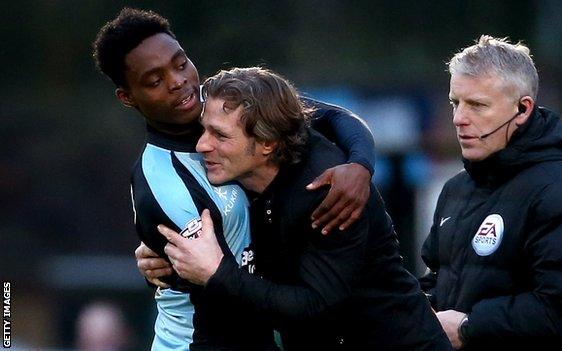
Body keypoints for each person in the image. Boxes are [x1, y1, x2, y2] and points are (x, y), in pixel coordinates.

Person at [92, 8, 376, 350]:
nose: (178, 81)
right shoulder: (167, 184)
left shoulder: (224, 102)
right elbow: (234, 288)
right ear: (127, 97)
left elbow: (333, 117)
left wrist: (360, 166)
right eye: (155, 81)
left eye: (181, 63)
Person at [157, 67, 452, 350]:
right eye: (204, 130)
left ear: (267, 144)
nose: (201, 145)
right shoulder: (245, 169)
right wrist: (162, 255)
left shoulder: (327, 191)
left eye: (220, 136)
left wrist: (216, 274)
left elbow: (314, 305)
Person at [418, 35, 562, 350]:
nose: (459, 118)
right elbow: (439, 282)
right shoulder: (455, 190)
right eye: (455, 103)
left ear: (523, 109)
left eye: (477, 105)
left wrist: (469, 327)